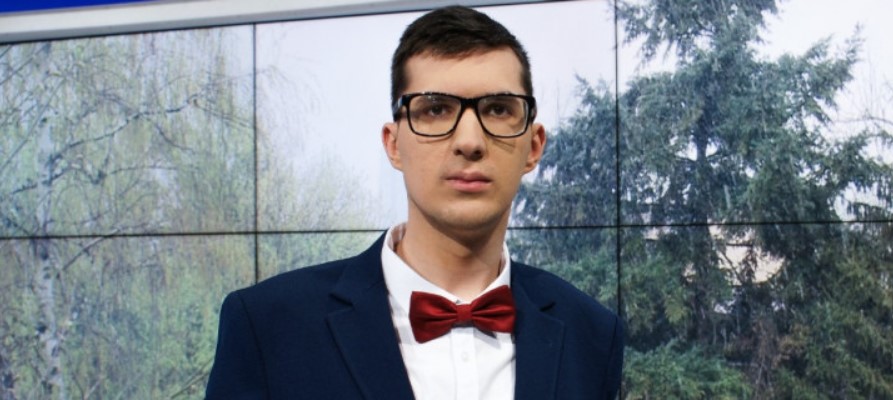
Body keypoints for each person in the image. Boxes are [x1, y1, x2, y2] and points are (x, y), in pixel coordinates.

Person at [206, 5, 623, 399]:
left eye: (498, 109)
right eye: (436, 109)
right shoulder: (268, 326)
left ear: (533, 147)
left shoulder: (592, 335)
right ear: (394, 145)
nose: (470, 141)